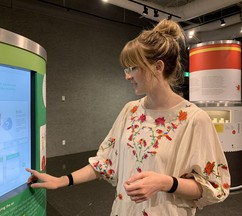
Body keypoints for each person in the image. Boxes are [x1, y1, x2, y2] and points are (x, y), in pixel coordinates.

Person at [26, 19, 230, 216]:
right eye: (127, 68)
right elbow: (104, 162)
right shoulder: (130, 111)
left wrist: (166, 182)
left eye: (133, 68)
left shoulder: (194, 119)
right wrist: (61, 180)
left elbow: (216, 186)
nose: (127, 75)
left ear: (157, 67)